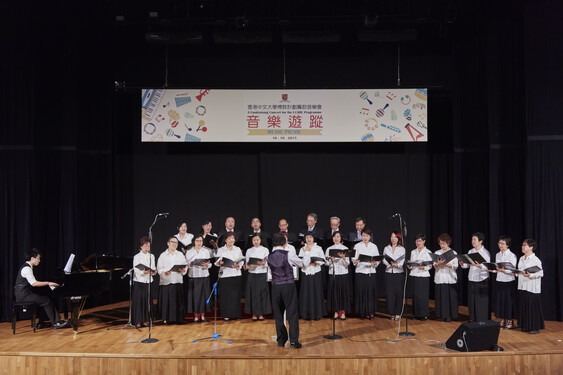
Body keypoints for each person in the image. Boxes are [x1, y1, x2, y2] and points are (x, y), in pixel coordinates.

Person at [269, 232, 310, 348]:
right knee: (292, 313)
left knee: (278, 315)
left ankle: (281, 340)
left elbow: (270, 271)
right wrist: (306, 252)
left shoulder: (269, 256)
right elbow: (303, 264)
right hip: (288, 286)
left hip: (275, 286)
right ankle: (293, 341)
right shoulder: (289, 254)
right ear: (284, 243)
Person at [13, 249, 70, 329]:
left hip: (25, 294)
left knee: (43, 298)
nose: (39, 261)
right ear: (32, 258)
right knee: (46, 300)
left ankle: (41, 323)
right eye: (38, 258)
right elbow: (34, 283)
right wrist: (48, 283)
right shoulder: (27, 269)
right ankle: (56, 323)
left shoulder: (28, 267)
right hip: (23, 296)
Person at [459, 232, 490, 322]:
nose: (472, 241)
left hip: (482, 279)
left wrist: (480, 266)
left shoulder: (485, 253)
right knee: (472, 300)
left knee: (480, 301)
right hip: (472, 278)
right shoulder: (471, 251)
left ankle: (481, 319)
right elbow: (468, 266)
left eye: (474, 239)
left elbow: (488, 267)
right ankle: (472, 318)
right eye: (472, 239)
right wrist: (463, 264)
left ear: (480, 241)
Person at [157, 237, 187, 324]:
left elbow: (185, 266)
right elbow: (159, 269)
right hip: (167, 281)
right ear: (168, 243)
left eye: (176, 243)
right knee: (167, 301)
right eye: (173, 242)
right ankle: (166, 318)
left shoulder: (180, 254)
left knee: (178, 301)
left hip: (177, 280)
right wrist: (164, 273)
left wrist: (183, 270)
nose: (174, 244)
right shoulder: (163, 255)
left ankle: (178, 318)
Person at [517, 238, 544, 334]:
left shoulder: (535, 260)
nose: (523, 247)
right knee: (524, 306)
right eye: (522, 245)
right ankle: (525, 325)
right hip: (522, 285)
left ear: (531, 247)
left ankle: (534, 327)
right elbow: (519, 270)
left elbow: (541, 273)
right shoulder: (521, 258)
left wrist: (530, 275)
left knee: (532, 307)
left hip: (532, 287)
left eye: (525, 245)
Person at [214, 231, 244, 321]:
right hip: (225, 275)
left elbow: (241, 260)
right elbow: (216, 262)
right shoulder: (221, 250)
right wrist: (220, 262)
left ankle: (235, 314)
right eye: (229, 238)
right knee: (226, 296)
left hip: (236, 274)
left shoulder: (237, 249)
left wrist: (238, 265)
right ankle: (226, 314)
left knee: (235, 296)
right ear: (225, 240)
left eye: (233, 238)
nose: (231, 240)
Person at [352, 228, 380, 320]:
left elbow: (377, 259)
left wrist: (374, 262)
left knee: (370, 293)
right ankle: (362, 312)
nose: (365, 238)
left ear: (370, 237)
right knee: (361, 292)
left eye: (367, 236)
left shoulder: (374, 246)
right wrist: (356, 261)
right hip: (360, 271)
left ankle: (370, 312)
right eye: (363, 235)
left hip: (370, 272)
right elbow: (353, 259)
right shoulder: (357, 246)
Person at [298, 232, 326, 320]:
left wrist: (316, 262)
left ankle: (317, 314)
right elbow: (299, 261)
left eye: (310, 237)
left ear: (313, 238)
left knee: (316, 292)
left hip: (316, 272)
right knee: (306, 293)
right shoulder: (302, 249)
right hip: (306, 272)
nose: (309, 239)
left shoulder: (318, 248)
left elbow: (323, 260)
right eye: (307, 237)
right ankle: (306, 314)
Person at [185, 235, 212, 323]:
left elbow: (210, 264)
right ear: (194, 241)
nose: (199, 243)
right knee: (195, 297)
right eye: (197, 241)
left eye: (201, 241)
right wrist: (191, 263)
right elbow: (186, 264)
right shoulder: (189, 252)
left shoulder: (206, 251)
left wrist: (206, 265)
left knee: (204, 296)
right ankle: (196, 316)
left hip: (204, 275)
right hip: (193, 276)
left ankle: (203, 316)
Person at [243, 234, 271, 321]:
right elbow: (247, 265)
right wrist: (248, 265)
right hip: (252, 273)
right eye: (254, 240)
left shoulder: (265, 250)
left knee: (262, 294)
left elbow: (269, 262)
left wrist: (264, 263)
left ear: (260, 240)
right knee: (253, 294)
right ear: (252, 241)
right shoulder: (249, 250)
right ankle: (254, 314)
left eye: (257, 240)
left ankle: (261, 313)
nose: (256, 241)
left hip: (262, 273)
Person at [492, 236, 518, 329]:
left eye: (502, 243)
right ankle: (502, 319)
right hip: (499, 280)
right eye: (499, 243)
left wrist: (504, 271)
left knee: (508, 302)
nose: (500, 245)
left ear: (507, 244)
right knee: (500, 301)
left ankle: (510, 320)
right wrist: (492, 270)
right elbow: (497, 268)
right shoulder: (497, 255)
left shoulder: (512, 255)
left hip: (509, 281)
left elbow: (513, 270)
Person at [406, 233, 433, 321]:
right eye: (417, 241)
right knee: (415, 295)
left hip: (423, 275)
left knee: (423, 296)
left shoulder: (428, 252)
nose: (418, 243)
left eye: (420, 241)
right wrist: (409, 266)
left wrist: (424, 267)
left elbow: (430, 265)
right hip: (414, 274)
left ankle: (423, 314)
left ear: (424, 241)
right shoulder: (413, 252)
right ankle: (415, 314)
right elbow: (411, 263)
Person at [132, 236, 157, 328]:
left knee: (147, 301)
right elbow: (136, 269)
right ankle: (138, 321)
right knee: (139, 301)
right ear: (141, 246)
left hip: (148, 281)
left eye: (149, 246)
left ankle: (145, 320)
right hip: (139, 281)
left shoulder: (152, 256)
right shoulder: (137, 256)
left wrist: (153, 271)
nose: (147, 248)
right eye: (145, 246)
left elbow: (153, 267)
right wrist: (143, 272)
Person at [325, 232, 351, 320]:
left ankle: (343, 312)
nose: (336, 238)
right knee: (334, 293)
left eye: (338, 237)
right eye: (334, 237)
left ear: (341, 238)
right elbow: (326, 263)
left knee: (343, 293)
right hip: (333, 273)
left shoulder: (345, 249)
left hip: (343, 273)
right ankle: (335, 311)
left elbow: (348, 263)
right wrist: (331, 260)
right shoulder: (329, 249)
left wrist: (343, 258)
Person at [433, 233, 458, 322]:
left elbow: (456, 266)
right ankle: (442, 315)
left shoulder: (453, 253)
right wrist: (438, 264)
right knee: (441, 297)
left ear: (448, 243)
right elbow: (434, 266)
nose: (442, 245)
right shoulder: (437, 253)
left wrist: (447, 265)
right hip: (440, 277)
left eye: (443, 243)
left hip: (450, 277)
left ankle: (449, 316)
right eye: (440, 243)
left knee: (450, 297)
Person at [382, 231, 406, 320]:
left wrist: (397, 265)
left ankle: (398, 313)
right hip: (389, 272)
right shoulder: (386, 248)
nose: (393, 239)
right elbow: (384, 259)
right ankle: (391, 312)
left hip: (398, 273)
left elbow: (402, 260)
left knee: (398, 294)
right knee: (389, 293)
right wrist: (390, 264)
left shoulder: (402, 248)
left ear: (398, 238)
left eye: (395, 237)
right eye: (392, 237)